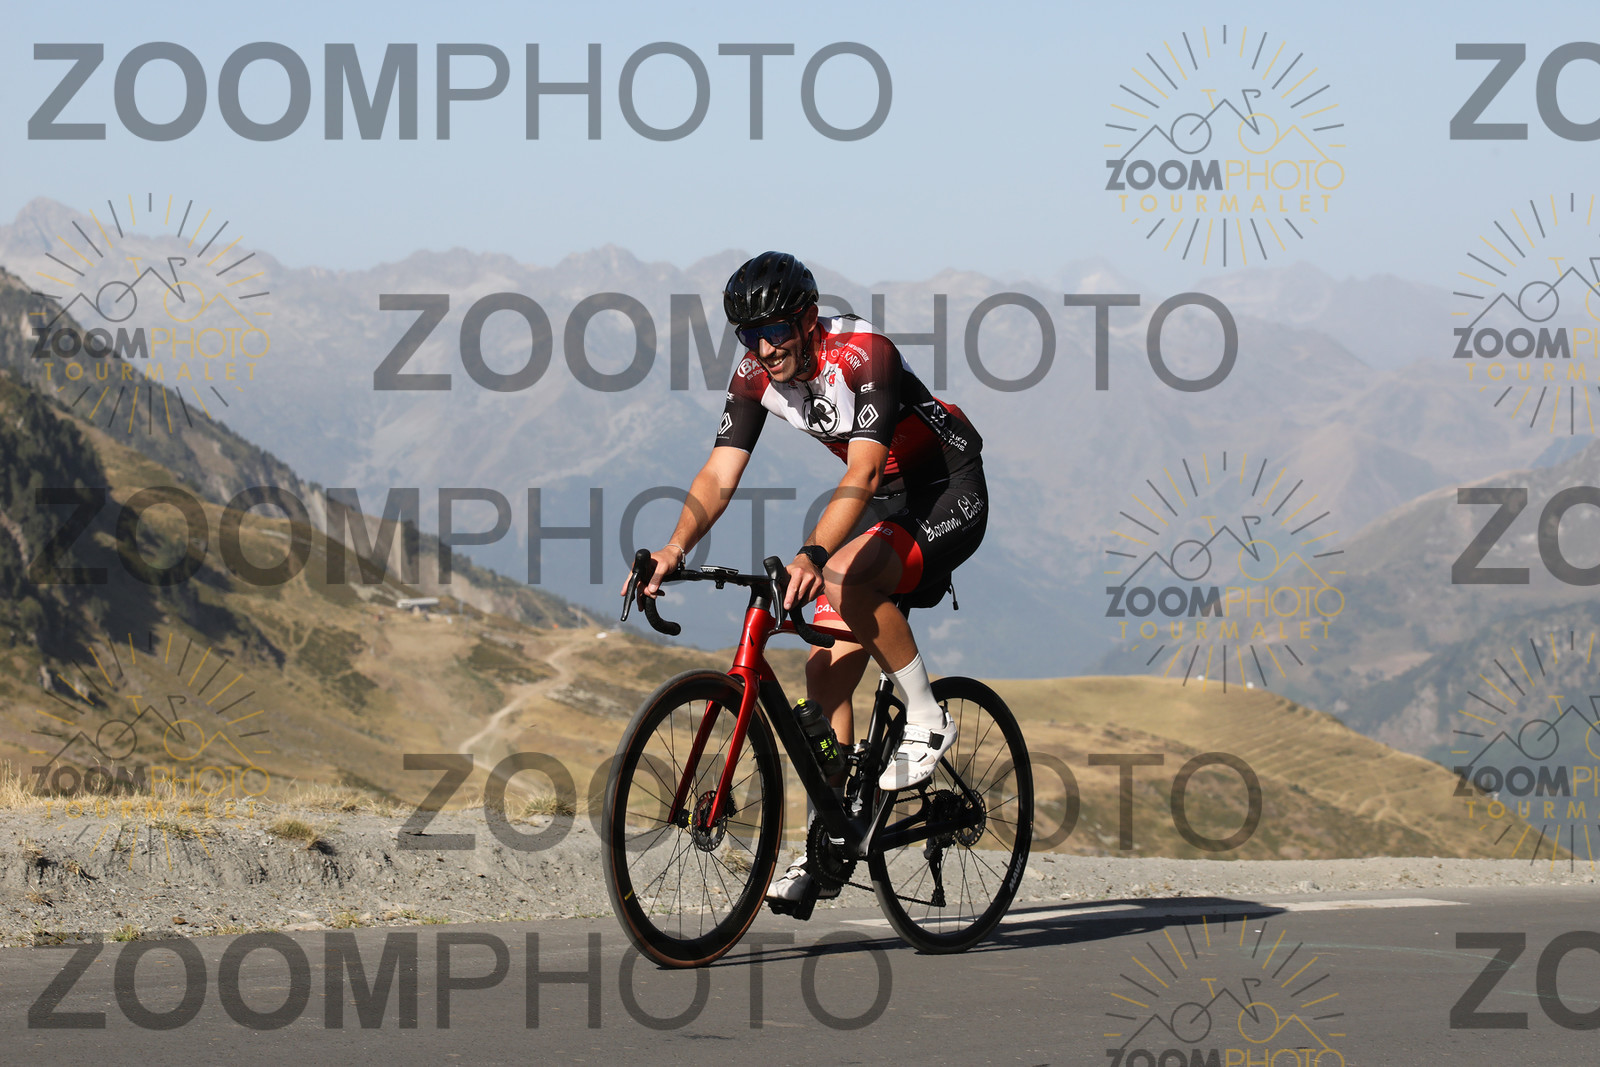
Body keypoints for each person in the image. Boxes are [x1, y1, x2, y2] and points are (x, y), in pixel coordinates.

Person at [632, 251, 988, 904]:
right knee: (823, 681)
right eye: (749, 335)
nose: (764, 348)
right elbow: (718, 473)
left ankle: (928, 715)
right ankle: (835, 840)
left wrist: (813, 555)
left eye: (774, 330)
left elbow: (862, 472)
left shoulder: (863, 355)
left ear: (807, 319)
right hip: (882, 497)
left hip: (945, 487)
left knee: (844, 577)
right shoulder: (755, 375)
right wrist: (675, 547)